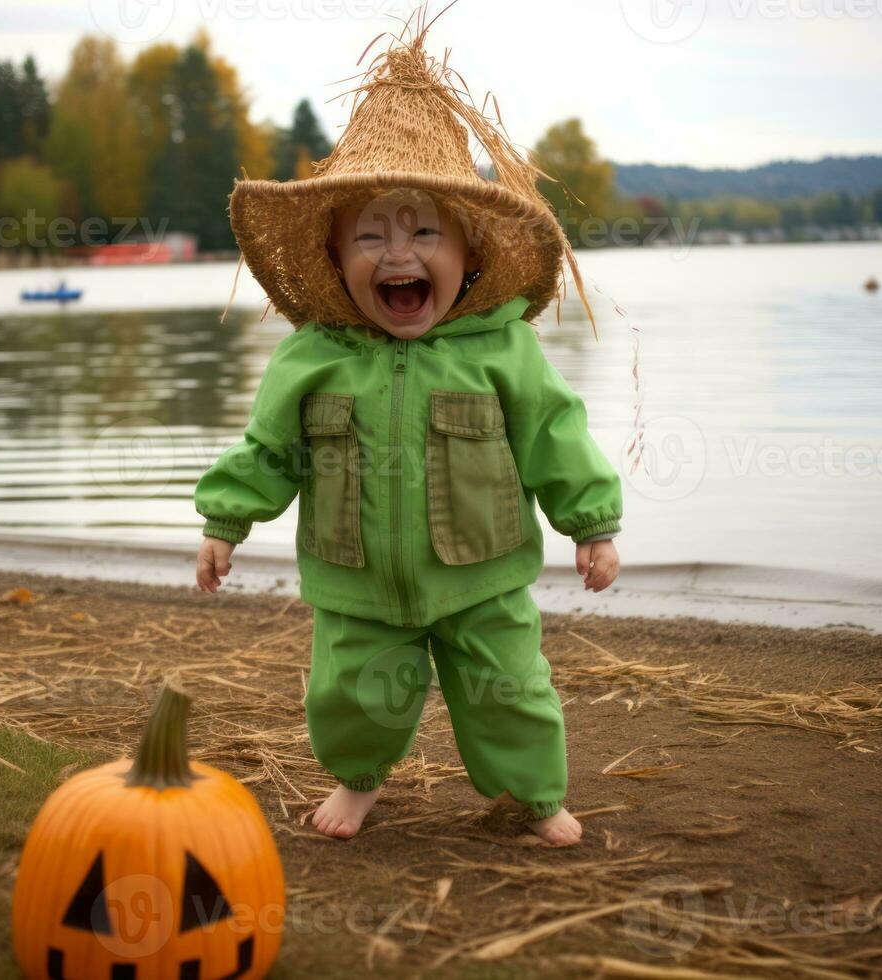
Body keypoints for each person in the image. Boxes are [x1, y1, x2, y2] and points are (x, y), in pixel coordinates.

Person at [192, 19, 622, 847]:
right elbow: (268, 449)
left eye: (425, 231)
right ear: (333, 254)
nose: (400, 253)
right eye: (371, 235)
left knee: (510, 689)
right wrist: (224, 522)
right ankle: (358, 781)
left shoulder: (502, 348)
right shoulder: (313, 359)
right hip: (357, 584)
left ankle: (532, 798)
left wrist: (591, 523)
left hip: (483, 578)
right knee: (351, 692)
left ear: (468, 249)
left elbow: (553, 436)